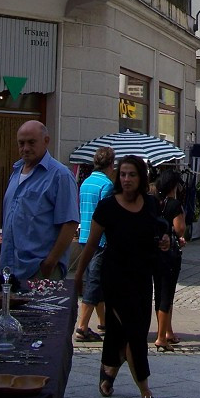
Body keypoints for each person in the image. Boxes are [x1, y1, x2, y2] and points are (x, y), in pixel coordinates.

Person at [74, 155, 170, 398]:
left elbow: (159, 231)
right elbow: (92, 244)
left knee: (121, 332)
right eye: (123, 174)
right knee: (135, 335)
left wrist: (164, 240)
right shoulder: (108, 206)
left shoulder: (150, 203)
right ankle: (146, 394)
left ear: (141, 178)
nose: (126, 179)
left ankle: (108, 374)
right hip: (115, 278)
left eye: (132, 175)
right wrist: (79, 276)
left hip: (141, 279)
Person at [0, 120, 79, 281]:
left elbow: (70, 223)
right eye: (21, 143)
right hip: (10, 268)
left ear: (46, 141)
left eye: (31, 142)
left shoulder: (60, 175)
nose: (26, 148)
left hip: (40, 270)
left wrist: (50, 262)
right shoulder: (15, 173)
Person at [74, 146, 116, 342]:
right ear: (110, 164)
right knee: (94, 281)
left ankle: (104, 321)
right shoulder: (107, 185)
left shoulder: (85, 183)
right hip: (100, 240)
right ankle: (82, 326)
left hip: (84, 237)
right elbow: (107, 215)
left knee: (95, 279)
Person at [153, 170, 186, 350]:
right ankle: (161, 337)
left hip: (155, 252)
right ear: (173, 186)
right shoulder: (174, 204)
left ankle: (167, 331)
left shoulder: (154, 202)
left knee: (159, 293)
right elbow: (179, 229)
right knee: (167, 294)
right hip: (170, 255)